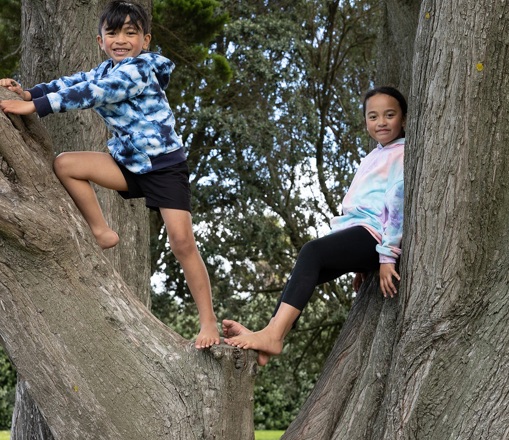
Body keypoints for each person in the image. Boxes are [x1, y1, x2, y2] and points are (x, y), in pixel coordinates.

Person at [0, 0, 219, 349]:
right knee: (66, 164)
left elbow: (94, 94)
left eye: (131, 33)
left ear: (145, 40)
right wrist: (29, 92)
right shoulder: (102, 70)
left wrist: (35, 107)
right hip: (130, 164)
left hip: (164, 166)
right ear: (100, 41)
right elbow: (71, 83)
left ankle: (209, 322)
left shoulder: (140, 70)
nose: (121, 39)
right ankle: (101, 231)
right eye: (112, 33)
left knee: (181, 242)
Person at [223, 86, 407, 365]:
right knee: (306, 269)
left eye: (389, 115)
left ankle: (273, 335)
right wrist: (357, 261)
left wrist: (385, 255)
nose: (381, 122)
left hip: (376, 237)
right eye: (373, 116)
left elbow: (396, 205)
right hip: (360, 235)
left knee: (312, 252)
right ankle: (272, 333)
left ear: (403, 119)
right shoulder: (375, 154)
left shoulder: (402, 153)